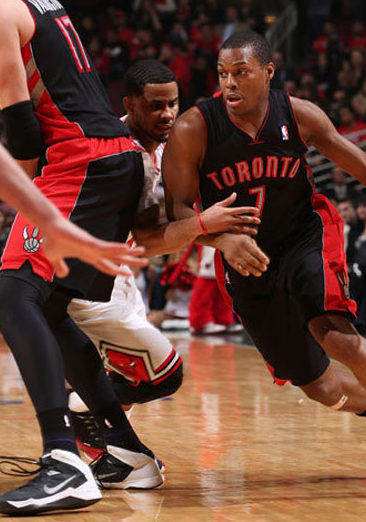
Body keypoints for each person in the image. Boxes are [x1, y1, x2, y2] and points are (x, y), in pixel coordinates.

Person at [147, 31, 366, 492]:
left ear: (268, 73)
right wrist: (219, 241)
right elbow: (179, 211)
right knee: (316, 385)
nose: (230, 84)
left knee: (338, 338)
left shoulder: (298, 115)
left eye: (241, 73)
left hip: (305, 237)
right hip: (245, 260)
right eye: (223, 74)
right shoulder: (194, 128)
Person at [0, 0, 247, 515]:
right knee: (44, 308)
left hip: (78, 160)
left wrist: (21, 195)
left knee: (10, 299)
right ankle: (127, 452)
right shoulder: (40, 2)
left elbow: (24, 129)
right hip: (110, 158)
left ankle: (63, 461)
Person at [0, 84, 148, 522]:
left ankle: (77, 452)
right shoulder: (17, 16)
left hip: (81, 162)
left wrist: (44, 212)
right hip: (101, 162)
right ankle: (118, 446)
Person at [66, 60, 258, 462]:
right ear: (130, 105)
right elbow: (151, 238)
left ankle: (98, 448)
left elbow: (164, 226)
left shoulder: (166, 145)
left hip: (120, 274)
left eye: (172, 103)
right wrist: (215, 234)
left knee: (129, 375)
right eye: (155, 106)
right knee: (161, 375)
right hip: (85, 277)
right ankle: (76, 414)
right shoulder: (117, 153)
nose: (167, 114)